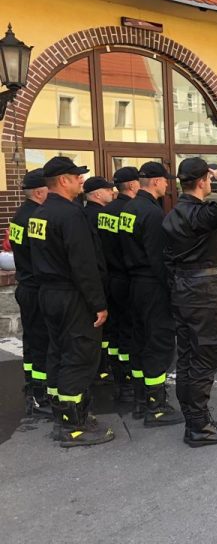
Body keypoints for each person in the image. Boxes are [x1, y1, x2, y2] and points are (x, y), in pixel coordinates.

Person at [28, 156, 113, 447]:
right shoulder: (71, 214)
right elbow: (83, 265)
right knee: (79, 356)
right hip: (72, 295)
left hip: (48, 294)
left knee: (59, 353)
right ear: (62, 180)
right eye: (77, 176)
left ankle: (66, 415)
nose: (81, 180)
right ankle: (72, 427)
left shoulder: (39, 213)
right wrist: (98, 304)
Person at [163, 157, 217, 447]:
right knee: (206, 356)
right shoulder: (199, 213)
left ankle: (193, 420)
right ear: (202, 182)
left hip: (182, 289)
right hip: (202, 291)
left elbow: (167, 259)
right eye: (209, 179)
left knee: (187, 357)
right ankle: (199, 426)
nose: (212, 183)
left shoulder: (171, 215)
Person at [120, 161, 184, 427]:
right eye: (165, 180)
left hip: (132, 284)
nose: (168, 184)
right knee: (159, 344)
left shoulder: (129, 208)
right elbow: (159, 259)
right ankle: (156, 406)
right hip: (151, 285)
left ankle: (140, 398)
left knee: (139, 342)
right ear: (156, 181)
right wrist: (172, 290)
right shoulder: (152, 213)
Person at [9, 169, 51, 417]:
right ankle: (39, 394)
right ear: (38, 192)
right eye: (49, 189)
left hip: (26, 285)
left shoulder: (19, 214)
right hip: (35, 287)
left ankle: (33, 385)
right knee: (41, 342)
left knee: (32, 341)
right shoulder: (34, 217)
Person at [97, 167, 141, 404]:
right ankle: (129, 383)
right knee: (129, 331)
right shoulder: (129, 210)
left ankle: (117, 373)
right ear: (133, 186)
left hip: (109, 278)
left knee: (114, 331)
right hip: (127, 278)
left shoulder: (107, 210)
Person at [82, 176, 114, 385]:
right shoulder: (101, 215)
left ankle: (100, 366)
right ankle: (103, 368)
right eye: (108, 189)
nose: (112, 191)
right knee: (105, 326)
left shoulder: (82, 214)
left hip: (95, 278)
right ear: (97, 194)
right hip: (104, 276)